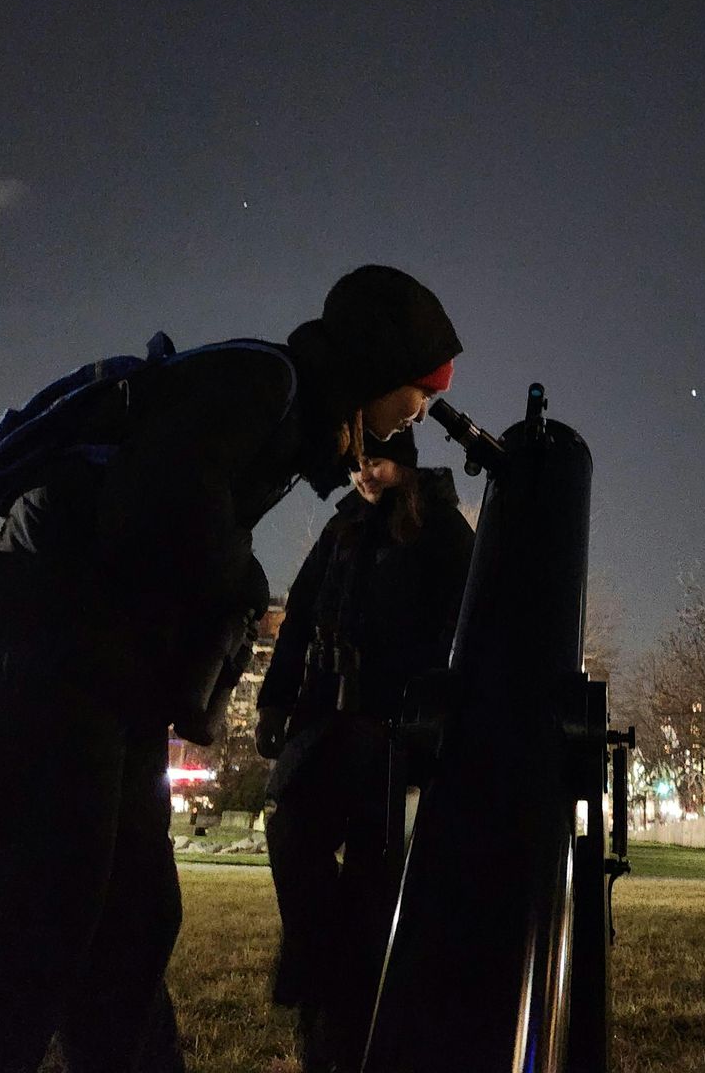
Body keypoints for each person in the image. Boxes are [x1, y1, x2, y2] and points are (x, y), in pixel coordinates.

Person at [0, 265, 461, 1073]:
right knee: (19, 921)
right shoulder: (264, 385)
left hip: (100, 670)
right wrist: (243, 589)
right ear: (378, 364)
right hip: (56, 658)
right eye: (423, 389)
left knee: (129, 923)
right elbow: (149, 510)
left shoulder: (284, 409)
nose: (423, 411)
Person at [257, 427, 474, 1073]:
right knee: (289, 825)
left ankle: (343, 1035)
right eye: (357, 464)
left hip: (391, 734)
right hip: (324, 722)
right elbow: (299, 617)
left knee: (371, 886)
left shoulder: (441, 528)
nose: (364, 475)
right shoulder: (342, 527)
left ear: (404, 464)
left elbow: (462, 626)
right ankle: (320, 974)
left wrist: (431, 713)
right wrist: (276, 700)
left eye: (375, 462)